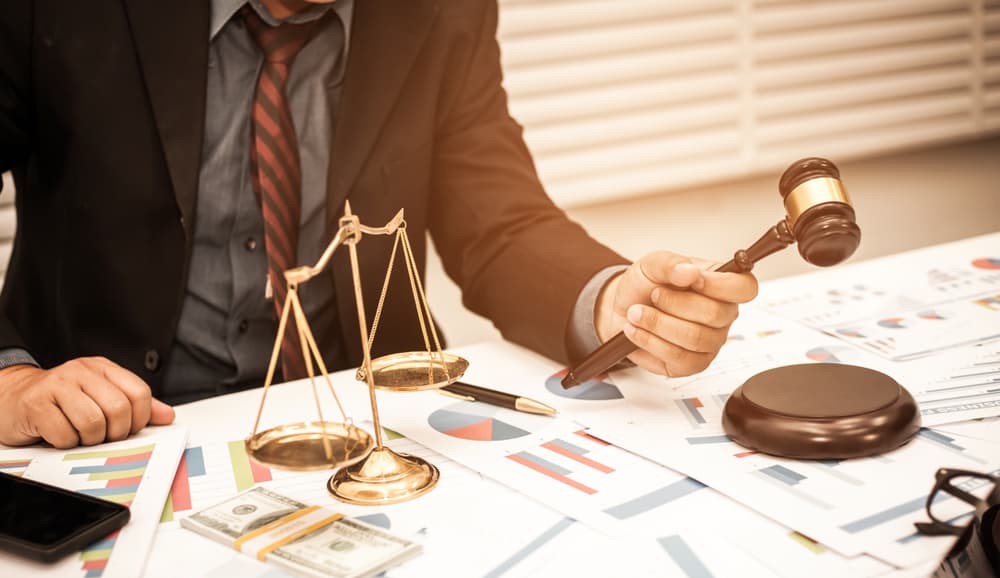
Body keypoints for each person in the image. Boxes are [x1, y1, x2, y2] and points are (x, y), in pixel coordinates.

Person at [0, 0, 757, 449]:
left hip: (368, 425)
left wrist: (613, 303)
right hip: (108, 433)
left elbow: (498, 224)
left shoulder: (440, 10)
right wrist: (11, 378)